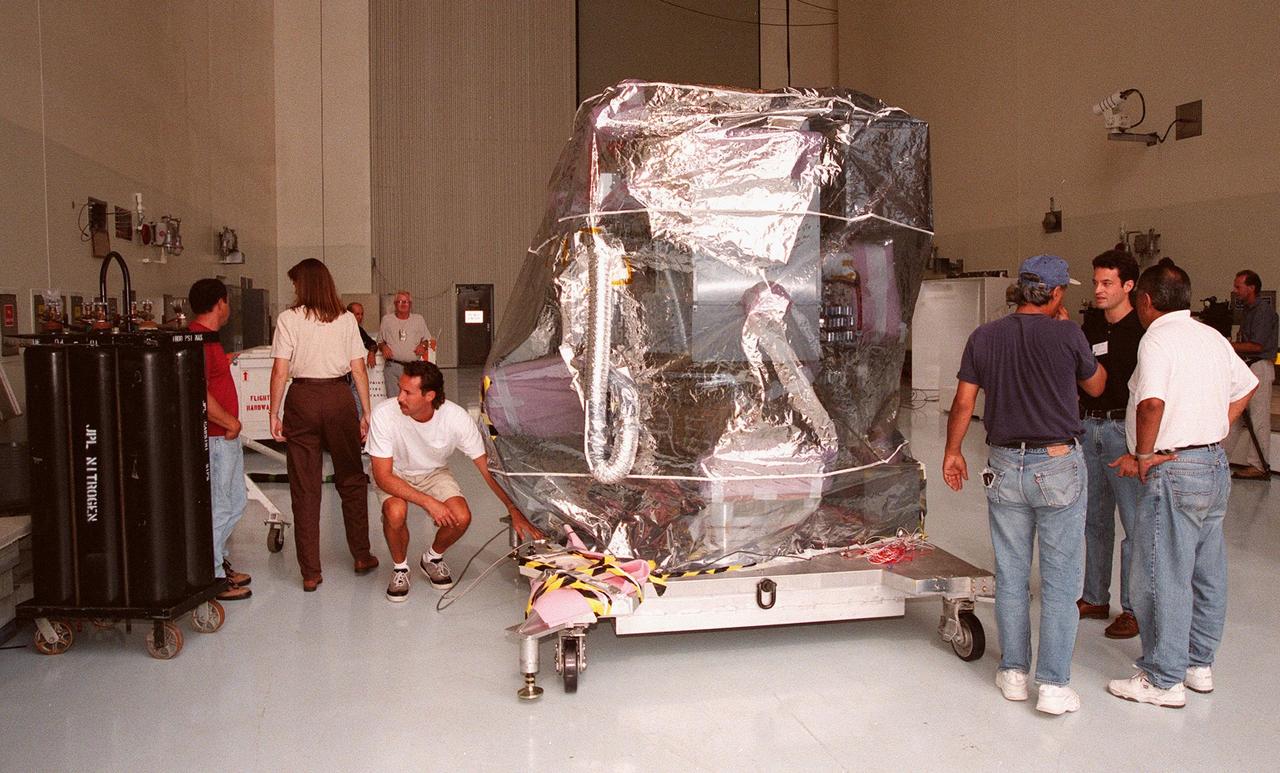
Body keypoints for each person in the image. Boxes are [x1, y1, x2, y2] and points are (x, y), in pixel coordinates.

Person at [943, 254, 1106, 716]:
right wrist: (1075, 345)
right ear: (1055, 294)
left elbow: (963, 400)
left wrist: (953, 451)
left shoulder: (984, 336)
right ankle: (1052, 684)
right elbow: (1096, 386)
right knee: (1059, 580)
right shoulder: (1068, 334)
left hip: (1002, 465)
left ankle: (1013, 672)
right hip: (1056, 465)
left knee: (1011, 573)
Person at [1106, 260, 1257, 708]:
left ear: (1146, 300)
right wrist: (1213, 429)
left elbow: (1150, 403)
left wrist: (1144, 456)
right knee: (1207, 570)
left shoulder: (1158, 338)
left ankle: (1162, 677)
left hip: (1174, 469)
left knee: (1161, 572)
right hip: (1212, 464)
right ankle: (1198, 665)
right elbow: (1245, 387)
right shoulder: (1210, 336)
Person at [366, 360, 542, 602]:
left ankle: (432, 558)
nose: (399, 397)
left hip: (434, 472)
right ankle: (400, 568)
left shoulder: (456, 418)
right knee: (395, 511)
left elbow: (487, 469)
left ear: (429, 395)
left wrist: (513, 508)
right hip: (395, 473)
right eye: (400, 389)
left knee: (461, 517)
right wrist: (429, 502)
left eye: (407, 392)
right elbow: (383, 477)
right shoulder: (384, 414)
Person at [269, 259, 379, 591]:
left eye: (294, 284)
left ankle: (310, 572)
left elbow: (279, 371)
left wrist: (274, 413)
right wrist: (366, 412)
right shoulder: (346, 319)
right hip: (338, 397)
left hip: (302, 398)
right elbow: (358, 369)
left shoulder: (288, 319)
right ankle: (361, 555)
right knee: (351, 478)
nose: (293, 290)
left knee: (305, 487)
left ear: (303, 285)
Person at [1076, 250, 1144, 639]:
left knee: (1134, 522)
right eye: (1096, 282)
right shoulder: (1090, 328)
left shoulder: (1143, 330)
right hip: (1089, 428)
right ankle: (1094, 597)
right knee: (1094, 519)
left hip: (1125, 431)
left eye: (1107, 283)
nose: (1098, 290)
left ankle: (1133, 608)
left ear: (1128, 286)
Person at [188, 278, 252, 602]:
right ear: (220, 302)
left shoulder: (210, 341)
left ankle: (218, 562)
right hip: (217, 436)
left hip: (226, 436)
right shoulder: (198, 339)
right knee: (220, 507)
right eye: (227, 302)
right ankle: (211, 575)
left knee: (236, 503)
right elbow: (197, 391)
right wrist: (229, 421)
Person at [1223, 270, 1276, 479]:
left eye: (1238, 287)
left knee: (1258, 417)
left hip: (1259, 366)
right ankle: (1221, 456)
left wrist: (1229, 345)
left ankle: (1259, 465)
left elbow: (1257, 345)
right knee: (1235, 414)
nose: (1236, 291)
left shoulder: (1263, 311)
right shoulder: (1248, 311)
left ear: (1251, 287)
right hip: (1248, 367)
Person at [378, 291, 433, 400]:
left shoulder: (418, 319)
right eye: (400, 301)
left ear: (411, 304)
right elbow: (380, 341)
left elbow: (427, 340)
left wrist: (423, 345)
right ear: (394, 304)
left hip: (413, 368)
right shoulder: (387, 320)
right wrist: (383, 347)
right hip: (393, 367)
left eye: (406, 302)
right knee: (393, 401)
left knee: (413, 399)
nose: (403, 304)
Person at [346, 302, 379, 420]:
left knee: (358, 400)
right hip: (343, 375)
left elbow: (372, 343)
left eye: (361, 314)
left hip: (355, 375)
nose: (360, 317)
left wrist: (371, 352)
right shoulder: (342, 329)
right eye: (357, 314)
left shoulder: (359, 330)